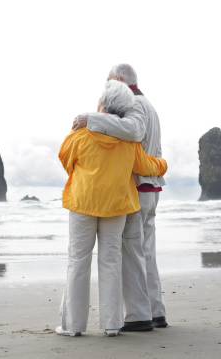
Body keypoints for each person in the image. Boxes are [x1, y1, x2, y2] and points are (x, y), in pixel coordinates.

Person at [56, 80, 168, 337]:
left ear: (102, 102)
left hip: (83, 203)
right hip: (117, 205)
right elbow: (146, 166)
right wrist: (163, 165)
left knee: (78, 261)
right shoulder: (129, 142)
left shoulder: (80, 134)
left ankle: (73, 326)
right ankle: (112, 325)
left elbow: (66, 160)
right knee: (111, 261)